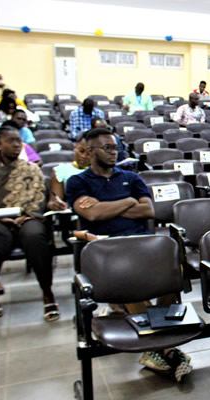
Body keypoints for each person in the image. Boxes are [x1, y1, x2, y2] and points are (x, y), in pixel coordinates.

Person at [65, 128, 192, 381]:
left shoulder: (131, 178)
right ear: (90, 151)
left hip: (140, 243)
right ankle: (164, 347)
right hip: (106, 250)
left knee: (174, 268)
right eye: (107, 148)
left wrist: (107, 207)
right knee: (132, 277)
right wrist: (128, 202)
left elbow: (148, 211)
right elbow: (92, 215)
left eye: (115, 147)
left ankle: (156, 345)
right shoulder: (78, 182)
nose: (114, 152)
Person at [0, 125, 58, 321]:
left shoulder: (30, 168)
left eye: (18, 141)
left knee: (34, 236)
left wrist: (28, 214)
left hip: (28, 217)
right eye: (10, 141)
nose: (16, 145)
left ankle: (47, 292)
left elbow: (39, 196)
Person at [47, 132, 90, 211]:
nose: (84, 156)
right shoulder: (61, 170)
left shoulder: (99, 171)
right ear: (75, 148)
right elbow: (52, 201)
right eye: (81, 151)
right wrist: (55, 205)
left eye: (89, 153)